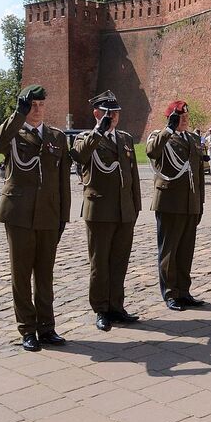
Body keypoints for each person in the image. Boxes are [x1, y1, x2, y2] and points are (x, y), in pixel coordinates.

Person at [0, 84, 71, 352]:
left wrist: (63, 216)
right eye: (32, 106)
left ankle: (47, 327)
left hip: (48, 214)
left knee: (45, 275)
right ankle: (27, 329)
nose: (37, 110)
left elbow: (62, 182)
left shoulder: (57, 137)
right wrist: (17, 115)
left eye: (40, 105)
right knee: (22, 274)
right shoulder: (14, 133)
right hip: (20, 215)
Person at [70, 90, 142, 332]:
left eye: (116, 112)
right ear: (97, 113)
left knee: (119, 261)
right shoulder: (85, 137)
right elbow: (79, 156)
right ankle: (101, 309)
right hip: (99, 210)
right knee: (100, 263)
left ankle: (116, 306)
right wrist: (99, 131)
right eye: (108, 112)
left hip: (124, 210)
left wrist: (135, 206)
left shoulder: (124, 139)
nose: (113, 116)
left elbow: (132, 176)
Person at [146, 100, 206, 311]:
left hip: (190, 202)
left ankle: (184, 290)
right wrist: (168, 129)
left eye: (186, 118)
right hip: (170, 203)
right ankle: (171, 293)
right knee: (169, 251)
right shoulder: (160, 136)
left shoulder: (193, 139)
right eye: (180, 118)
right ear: (171, 118)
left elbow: (199, 174)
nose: (184, 121)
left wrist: (200, 202)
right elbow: (152, 152)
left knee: (185, 250)